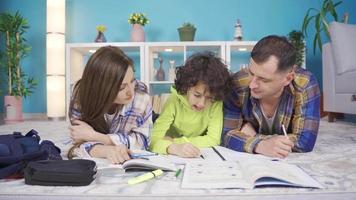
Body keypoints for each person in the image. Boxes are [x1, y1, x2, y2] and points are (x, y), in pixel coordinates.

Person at [222, 35, 321, 159]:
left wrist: (255, 138)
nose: (252, 84)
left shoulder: (305, 83)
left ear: (288, 78)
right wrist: (261, 146)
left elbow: (304, 142)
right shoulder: (237, 83)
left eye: (263, 80)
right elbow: (226, 134)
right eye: (251, 73)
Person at [68, 46, 152, 164]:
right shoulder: (81, 95)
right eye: (122, 87)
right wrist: (106, 151)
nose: (130, 91)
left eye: (132, 81)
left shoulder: (141, 98)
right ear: (101, 87)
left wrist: (96, 136)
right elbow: (78, 141)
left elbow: (142, 143)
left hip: (142, 119)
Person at [149, 52, 231, 158]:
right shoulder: (174, 100)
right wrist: (173, 148)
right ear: (186, 87)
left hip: (194, 152)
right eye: (197, 95)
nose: (202, 104)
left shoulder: (216, 102)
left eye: (209, 98)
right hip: (173, 154)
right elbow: (153, 141)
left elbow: (213, 139)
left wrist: (174, 141)